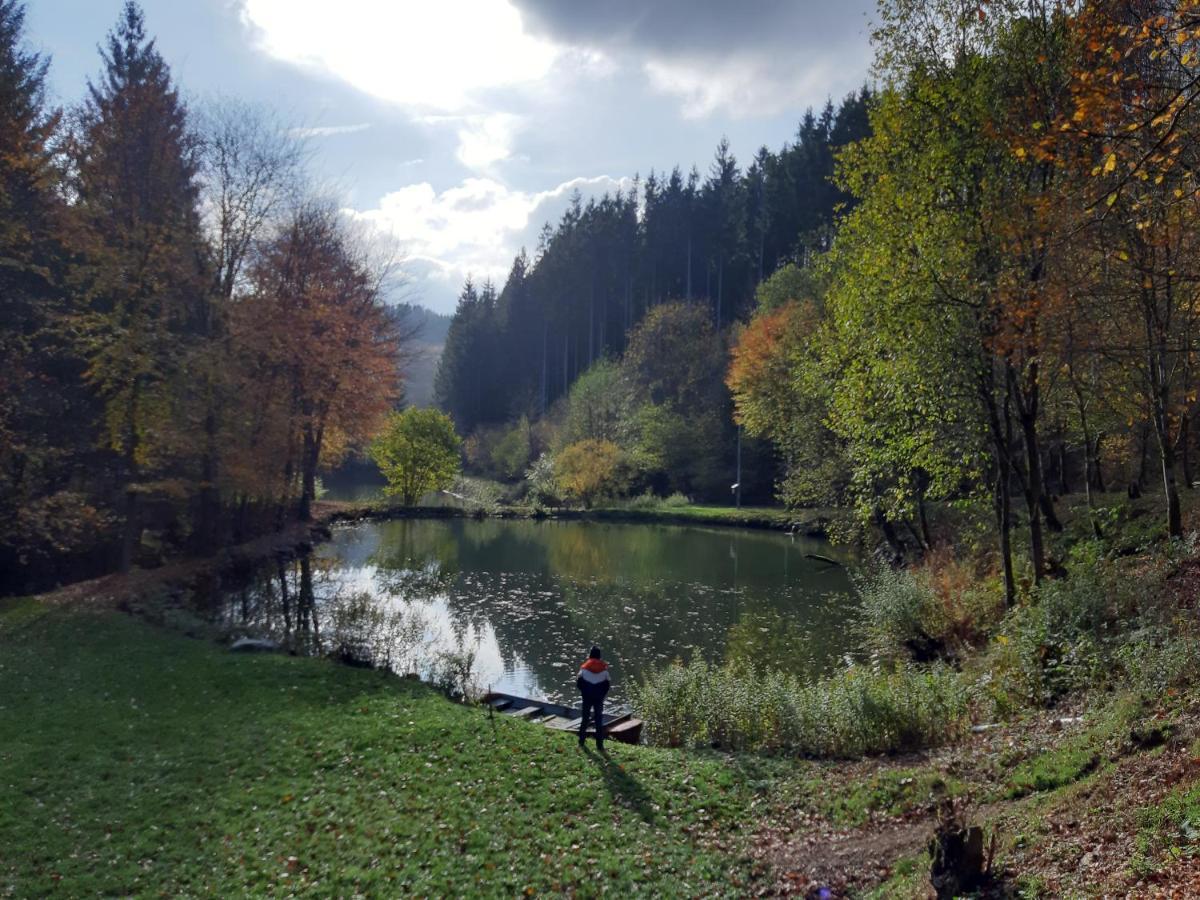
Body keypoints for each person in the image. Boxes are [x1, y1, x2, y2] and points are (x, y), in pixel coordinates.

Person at [576, 645, 611, 750]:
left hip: (587, 697)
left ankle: (581, 742)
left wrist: (584, 692)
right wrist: (602, 695)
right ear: (599, 656)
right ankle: (599, 745)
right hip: (598, 698)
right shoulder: (604, 671)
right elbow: (607, 685)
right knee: (598, 720)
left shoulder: (584, 669)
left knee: (585, 719)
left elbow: (579, 683)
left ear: (590, 655)